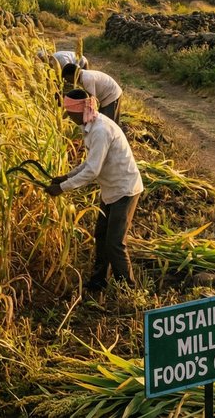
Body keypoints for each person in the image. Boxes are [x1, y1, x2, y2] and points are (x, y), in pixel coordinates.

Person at [47, 89, 144, 290]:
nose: (69, 118)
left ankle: (128, 289)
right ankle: (99, 280)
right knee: (101, 236)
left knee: (115, 243)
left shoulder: (100, 130)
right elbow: (89, 162)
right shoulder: (90, 124)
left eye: (70, 114)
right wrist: (67, 176)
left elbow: (92, 170)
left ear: (79, 110)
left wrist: (63, 188)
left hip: (124, 190)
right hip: (111, 190)